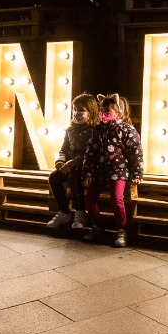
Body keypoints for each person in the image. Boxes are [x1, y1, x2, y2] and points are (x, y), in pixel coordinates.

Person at [80, 93, 143, 248]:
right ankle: (97, 226)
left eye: (108, 112)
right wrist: (87, 171)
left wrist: (136, 173)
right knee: (89, 199)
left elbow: (136, 152)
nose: (104, 115)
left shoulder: (127, 130)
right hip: (100, 171)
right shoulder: (97, 130)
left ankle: (122, 230)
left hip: (119, 170)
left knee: (116, 199)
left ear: (118, 113)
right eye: (102, 111)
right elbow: (91, 152)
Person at [47, 92, 98, 231]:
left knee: (75, 175)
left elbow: (94, 153)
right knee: (54, 177)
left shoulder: (95, 131)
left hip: (87, 166)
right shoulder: (71, 130)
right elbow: (63, 149)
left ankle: (81, 213)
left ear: (90, 111)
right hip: (70, 164)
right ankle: (64, 212)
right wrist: (60, 161)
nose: (77, 113)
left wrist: (74, 162)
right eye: (75, 110)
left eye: (81, 110)